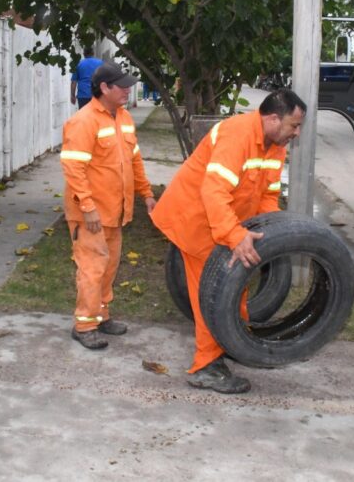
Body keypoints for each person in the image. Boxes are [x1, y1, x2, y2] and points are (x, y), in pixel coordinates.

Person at [150, 89, 306, 393]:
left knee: (235, 286)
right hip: (197, 222)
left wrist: (272, 236)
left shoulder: (275, 145)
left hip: (229, 224)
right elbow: (213, 192)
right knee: (212, 296)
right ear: (274, 119)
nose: (297, 133)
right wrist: (235, 236)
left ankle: (232, 343)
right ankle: (206, 367)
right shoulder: (237, 135)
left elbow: (267, 196)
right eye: (294, 125)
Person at [60, 62, 156, 349]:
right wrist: (87, 207)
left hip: (115, 212)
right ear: (104, 88)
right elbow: (73, 168)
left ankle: (101, 315)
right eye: (122, 86)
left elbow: (134, 161)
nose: (128, 90)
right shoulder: (83, 121)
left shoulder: (124, 118)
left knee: (108, 267)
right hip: (90, 214)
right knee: (91, 268)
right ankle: (84, 325)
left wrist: (146, 194)